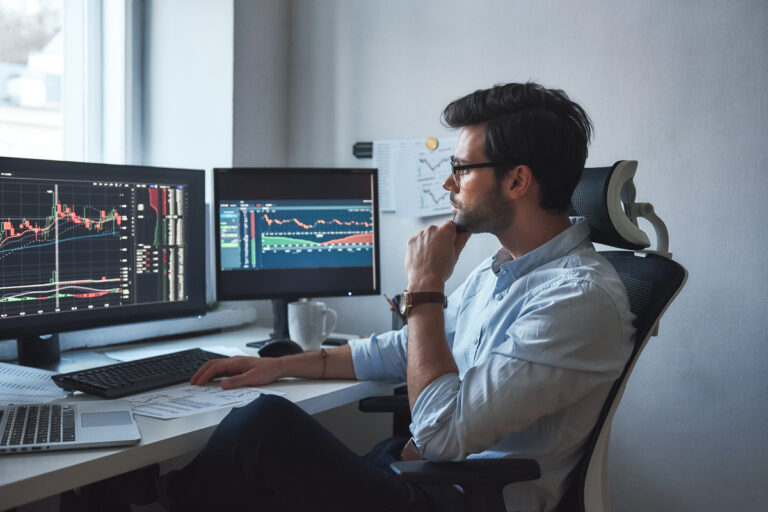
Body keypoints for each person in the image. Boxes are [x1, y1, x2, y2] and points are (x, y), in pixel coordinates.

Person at [154, 82, 635, 512]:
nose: (449, 184)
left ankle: (154, 499)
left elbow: (441, 434)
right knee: (259, 460)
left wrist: (425, 291)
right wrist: (283, 364)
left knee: (265, 428)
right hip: (418, 476)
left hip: (459, 496)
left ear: (516, 181)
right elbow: (407, 350)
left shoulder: (576, 298)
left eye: (461, 169)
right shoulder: (503, 271)